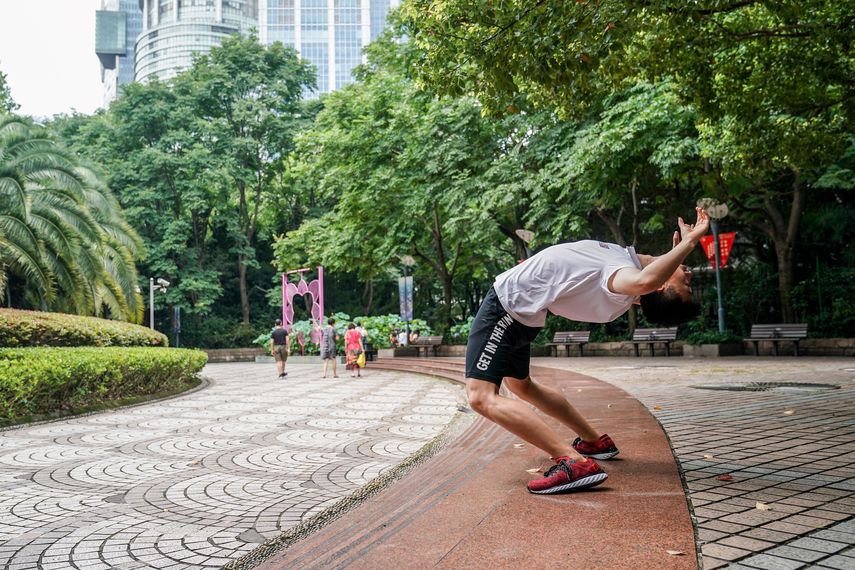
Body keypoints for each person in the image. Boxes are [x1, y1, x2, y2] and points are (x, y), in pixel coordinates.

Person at [465, 208, 710, 495]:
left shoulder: (622, 275)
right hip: (523, 312)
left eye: (687, 286)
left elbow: (644, 282)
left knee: (480, 397)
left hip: (507, 307)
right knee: (522, 386)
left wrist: (689, 243)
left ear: (661, 285)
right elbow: (647, 283)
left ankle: (572, 461)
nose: (689, 274)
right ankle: (593, 441)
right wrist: (673, 257)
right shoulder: (627, 266)